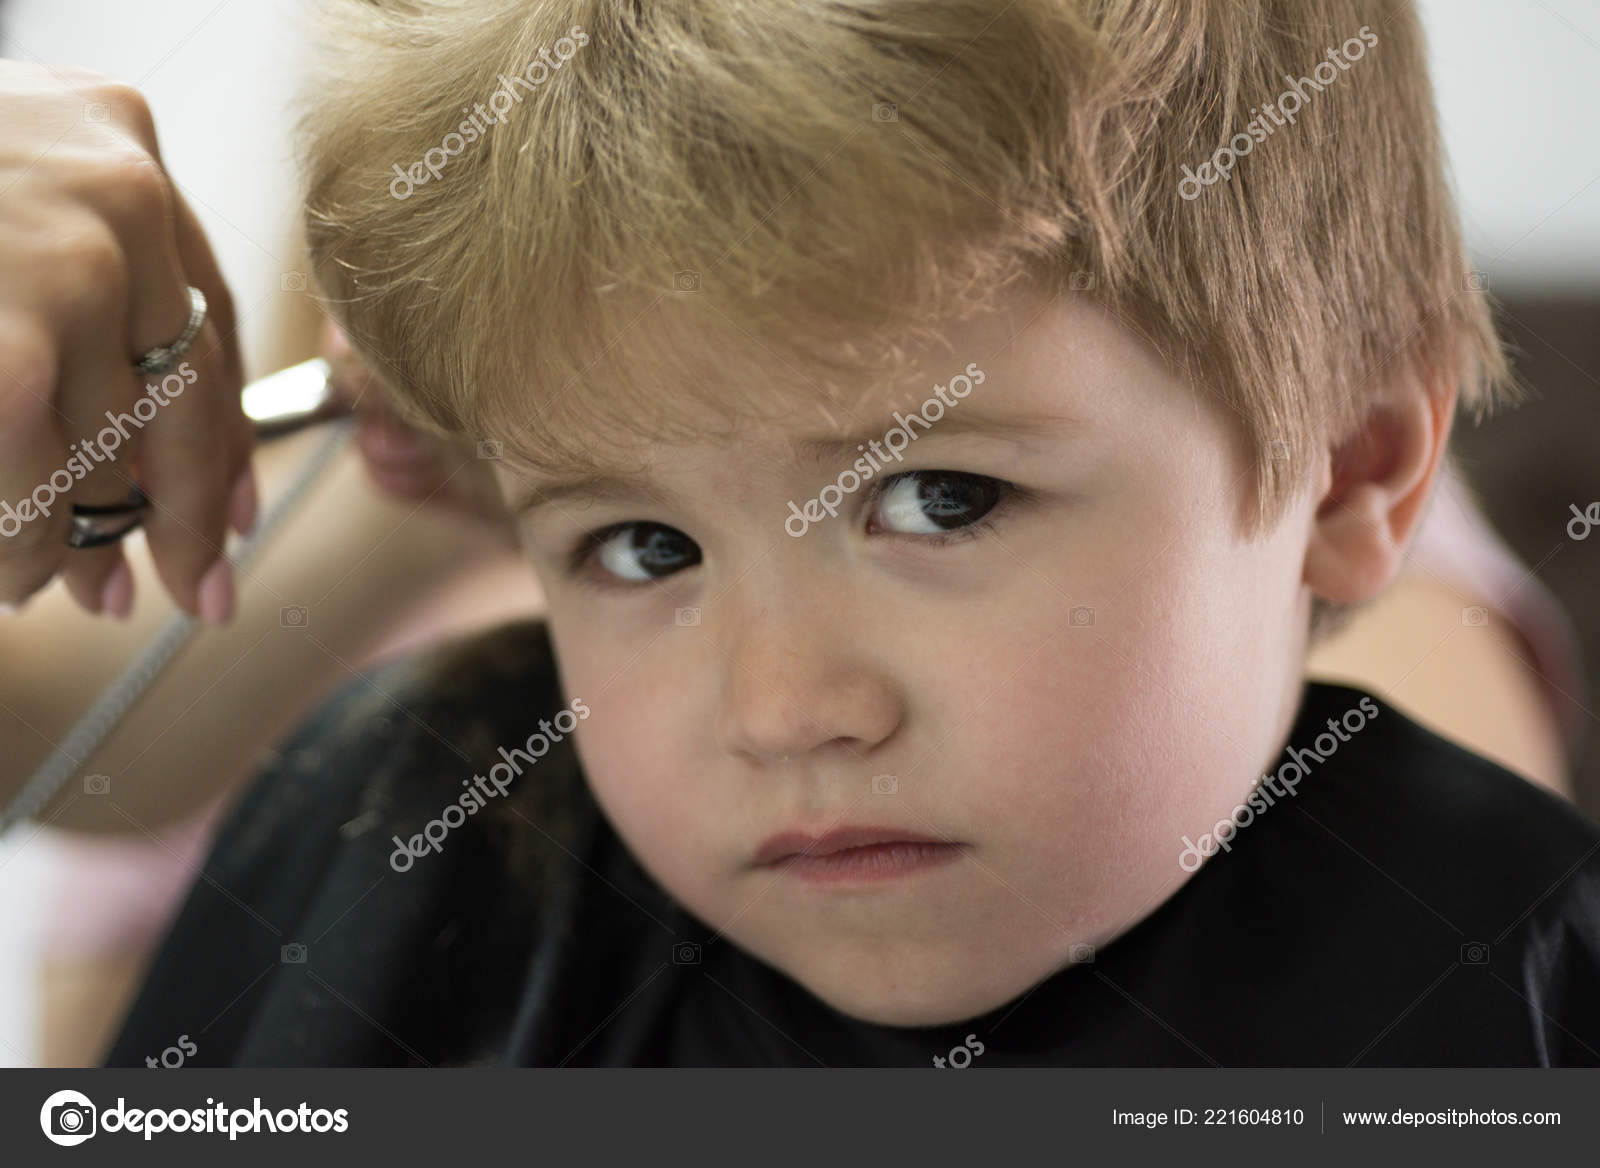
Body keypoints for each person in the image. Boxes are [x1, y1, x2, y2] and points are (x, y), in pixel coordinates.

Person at [35, 0, 1600, 1065]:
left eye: (941, 498)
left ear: (1348, 470)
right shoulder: (404, 827)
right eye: (645, 545)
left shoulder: (1483, 945)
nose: (785, 711)